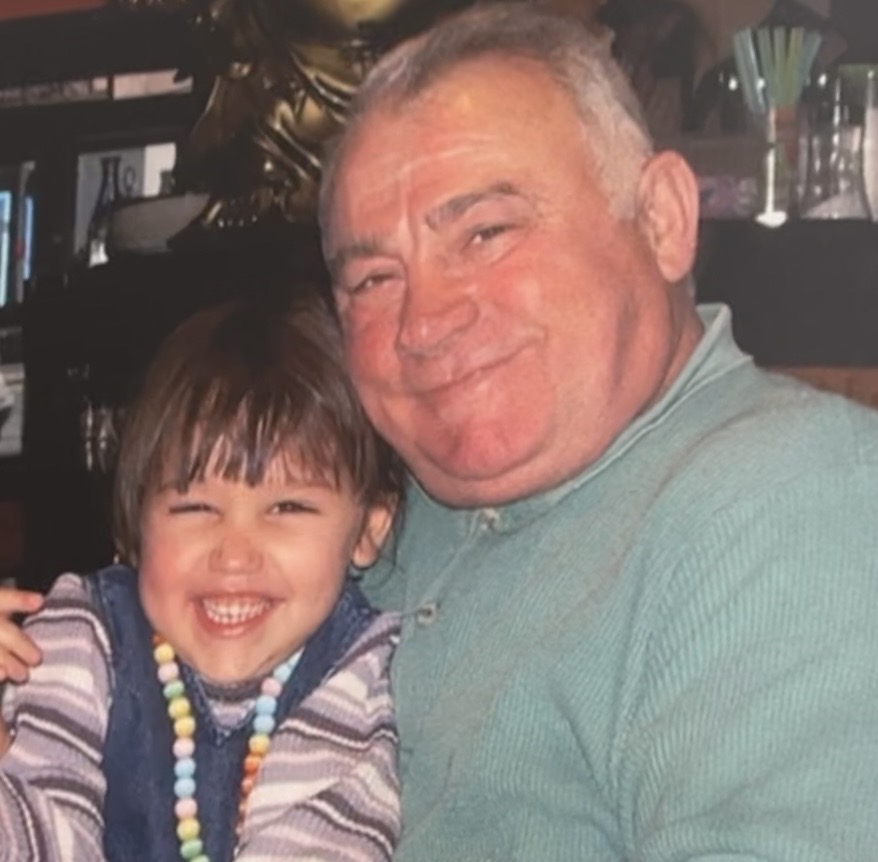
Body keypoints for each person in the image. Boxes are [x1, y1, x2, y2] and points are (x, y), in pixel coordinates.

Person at [4, 2, 878, 859]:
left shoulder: (789, 507)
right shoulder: (376, 488)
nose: (425, 321)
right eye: (373, 280)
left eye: (486, 233)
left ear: (661, 219)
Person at [0, 289, 404, 861]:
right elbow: (42, 838)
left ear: (367, 529)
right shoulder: (80, 631)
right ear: (135, 526)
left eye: (287, 507)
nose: (234, 556)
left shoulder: (353, 667)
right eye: (194, 508)